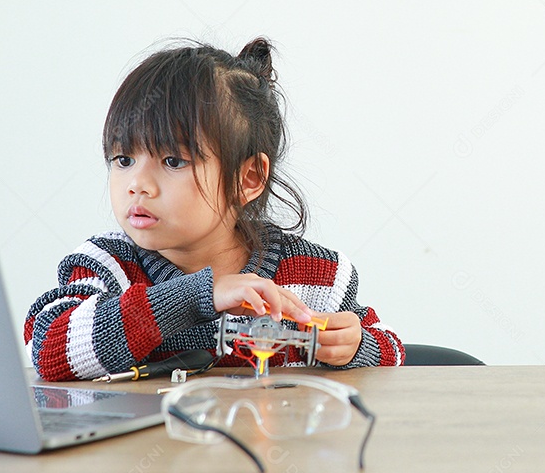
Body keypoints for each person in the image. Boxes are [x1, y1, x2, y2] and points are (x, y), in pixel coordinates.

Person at [26, 38, 404, 380]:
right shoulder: (109, 266)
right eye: (123, 158)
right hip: (157, 456)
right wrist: (197, 294)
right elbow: (48, 349)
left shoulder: (315, 278)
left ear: (249, 178)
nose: (136, 183)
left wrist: (356, 347)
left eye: (173, 161)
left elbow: (393, 352)